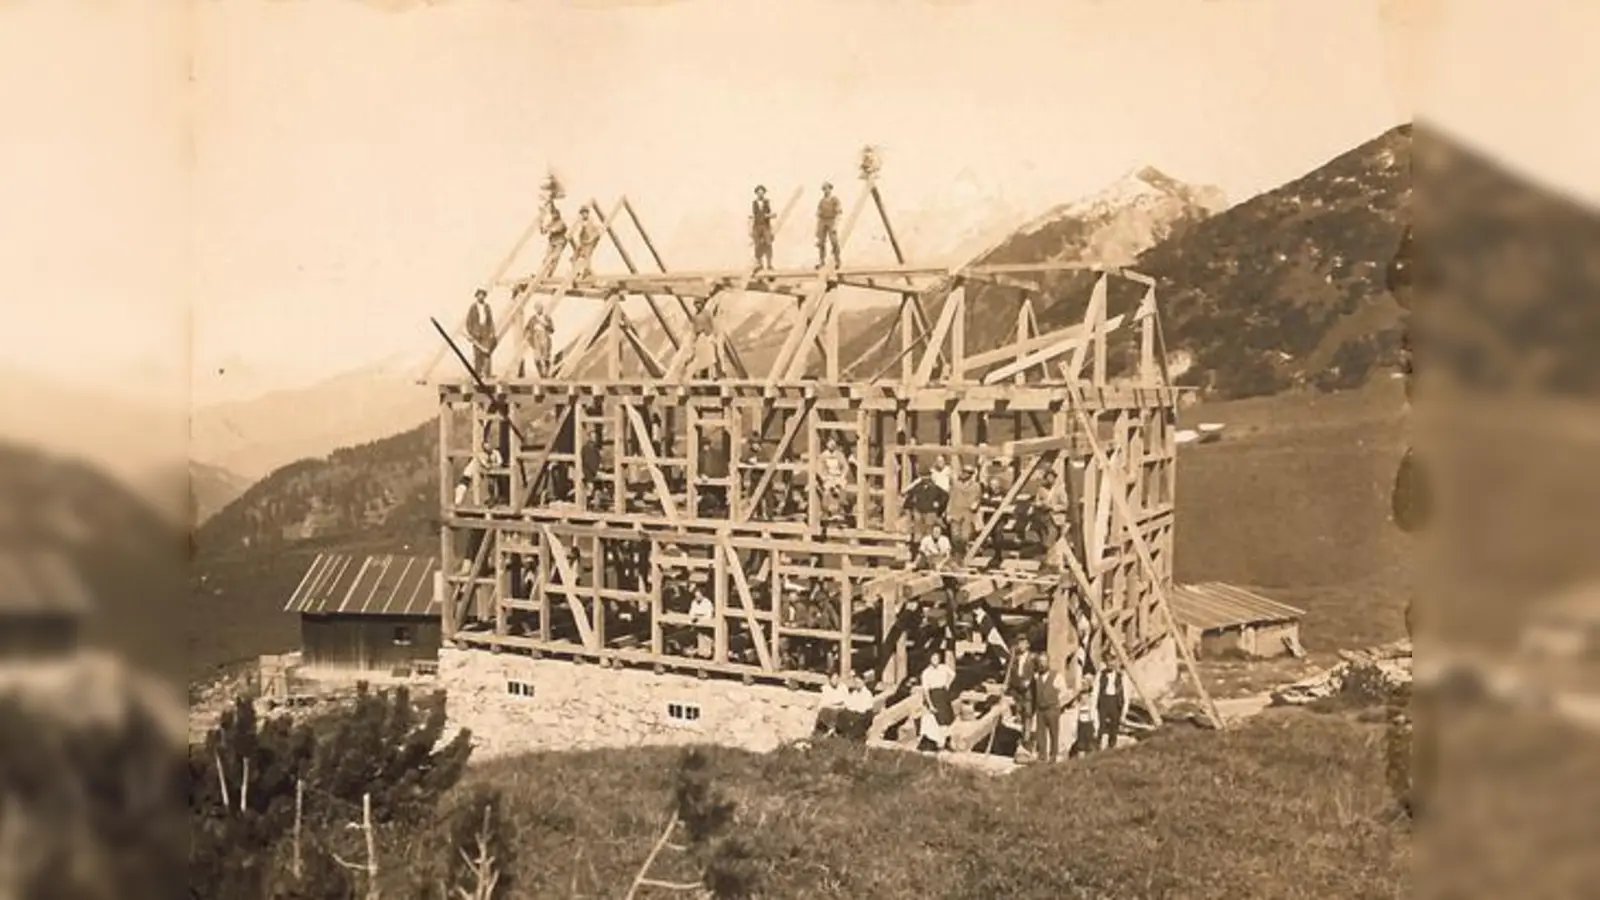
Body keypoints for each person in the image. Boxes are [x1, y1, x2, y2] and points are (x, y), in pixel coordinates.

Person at [1032, 654, 1071, 763]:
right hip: (1040, 709)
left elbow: (1064, 692)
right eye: (1040, 661)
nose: (1042, 664)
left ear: (1048, 662)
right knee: (1040, 733)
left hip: (1052, 709)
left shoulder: (1056, 676)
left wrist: (1058, 703)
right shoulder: (1036, 677)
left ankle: (1053, 755)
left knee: (1054, 733)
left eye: (1044, 661)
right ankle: (1042, 756)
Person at [917, 652, 956, 752]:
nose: (935, 661)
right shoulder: (926, 673)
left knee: (947, 719)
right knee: (936, 720)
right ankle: (939, 743)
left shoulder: (943, 668)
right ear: (930, 660)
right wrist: (930, 704)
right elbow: (926, 690)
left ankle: (947, 741)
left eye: (937, 658)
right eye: (933, 659)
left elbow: (953, 674)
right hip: (934, 695)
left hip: (943, 694)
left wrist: (947, 684)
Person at [945, 464, 981, 555]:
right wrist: (948, 512)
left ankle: (962, 553)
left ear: (971, 474)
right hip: (955, 512)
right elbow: (951, 498)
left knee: (965, 536)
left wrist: (976, 504)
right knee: (955, 536)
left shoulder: (976, 486)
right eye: (963, 471)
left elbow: (978, 498)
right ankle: (959, 554)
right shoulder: (956, 484)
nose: (964, 474)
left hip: (967, 513)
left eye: (967, 472)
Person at [1095, 666, 1131, 749]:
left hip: (1115, 701)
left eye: (1112, 661)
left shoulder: (1121, 676)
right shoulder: (1101, 674)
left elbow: (1126, 694)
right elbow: (1095, 692)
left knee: (1114, 726)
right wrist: (1095, 705)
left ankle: (1112, 745)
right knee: (1101, 726)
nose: (1110, 664)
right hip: (1104, 701)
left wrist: (1124, 712)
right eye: (1107, 661)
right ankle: (1099, 746)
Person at [466, 289, 496, 379]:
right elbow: (469, 321)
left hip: (485, 331)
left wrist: (492, 332)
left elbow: (490, 320)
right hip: (476, 332)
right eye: (479, 295)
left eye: (483, 295)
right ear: (477, 296)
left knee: (487, 352)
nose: (481, 296)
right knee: (477, 354)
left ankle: (487, 374)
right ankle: (477, 373)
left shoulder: (487, 307)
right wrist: (471, 333)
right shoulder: (473, 307)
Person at [570, 204, 604, 280]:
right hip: (582, 242)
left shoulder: (592, 221)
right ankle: (577, 273)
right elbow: (577, 231)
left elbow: (600, 229)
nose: (584, 214)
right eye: (582, 213)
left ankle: (585, 274)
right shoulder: (580, 222)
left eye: (585, 212)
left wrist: (593, 238)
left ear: (588, 213)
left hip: (589, 243)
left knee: (586, 258)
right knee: (573, 258)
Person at [840, 674, 877, 741]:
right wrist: (851, 708)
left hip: (865, 715)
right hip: (856, 712)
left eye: (859, 682)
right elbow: (849, 704)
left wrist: (853, 708)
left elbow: (862, 709)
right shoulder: (854, 692)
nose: (857, 684)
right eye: (856, 683)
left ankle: (857, 734)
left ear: (863, 682)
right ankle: (845, 732)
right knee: (842, 714)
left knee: (858, 721)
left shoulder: (867, 693)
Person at [523, 302, 555, 379]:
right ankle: (541, 374)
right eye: (537, 308)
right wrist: (528, 338)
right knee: (537, 357)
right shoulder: (533, 319)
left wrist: (545, 325)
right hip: (536, 337)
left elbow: (552, 330)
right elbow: (526, 329)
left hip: (545, 337)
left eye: (540, 308)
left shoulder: (547, 318)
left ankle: (546, 373)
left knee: (546, 356)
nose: (539, 309)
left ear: (542, 308)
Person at [815, 182, 842, 269]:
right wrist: (818, 228)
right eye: (824, 189)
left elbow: (839, 213)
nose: (826, 191)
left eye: (827, 188)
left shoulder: (835, 200)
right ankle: (821, 261)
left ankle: (837, 261)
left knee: (834, 242)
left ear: (830, 189)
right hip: (823, 221)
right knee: (821, 242)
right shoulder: (822, 201)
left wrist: (835, 225)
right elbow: (818, 214)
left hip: (832, 221)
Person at [539, 203, 569, 278]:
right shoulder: (552, 222)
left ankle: (549, 274)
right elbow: (543, 232)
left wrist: (548, 229)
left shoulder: (561, 222)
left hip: (559, 242)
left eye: (554, 214)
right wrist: (541, 223)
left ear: (558, 214)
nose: (553, 215)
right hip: (552, 242)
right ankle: (542, 274)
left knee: (554, 258)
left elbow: (556, 229)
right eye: (552, 214)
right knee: (547, 258)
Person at [750, 185, 775, 270]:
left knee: (768, 244)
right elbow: (751, 217)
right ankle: (759, 264)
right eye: (758, 193)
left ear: (764, 193)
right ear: (756, 193)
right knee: (757, 245)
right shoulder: (753, 203)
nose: (760, 194)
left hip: (765, 226)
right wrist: (750, 229)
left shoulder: (767, 202)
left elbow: (773, 214)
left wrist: (768, 216)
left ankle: (769, 264)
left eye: (762, 193)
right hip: (756, 226)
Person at [813, 672, 847, 737]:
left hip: (840, 708)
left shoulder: (842, 688)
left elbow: (845, 700)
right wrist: (834, 703)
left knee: (836, 713)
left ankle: (832, 730)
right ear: (830, 679)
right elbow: (825, 701)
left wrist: (836, 703)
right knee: (824, 711)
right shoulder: (826, 688)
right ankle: (828, 730)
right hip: (829, 707)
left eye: (836, 678)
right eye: (833, 679)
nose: (835, 681)